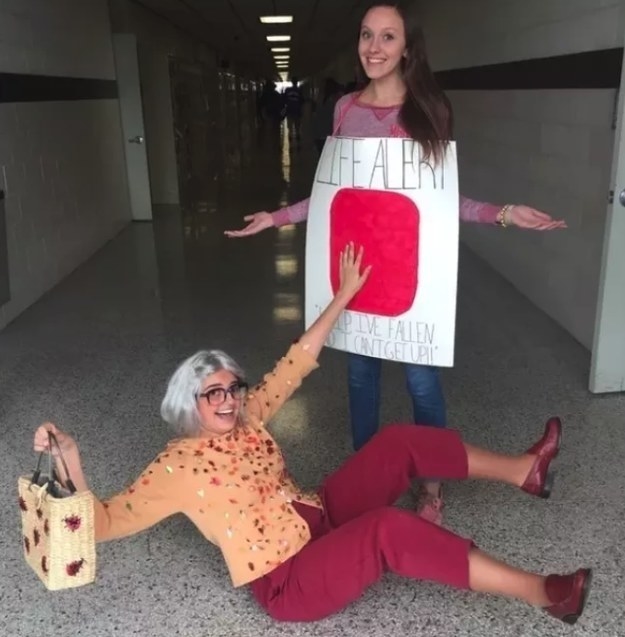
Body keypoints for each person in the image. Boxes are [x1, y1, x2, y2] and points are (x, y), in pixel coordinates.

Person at [33, 244, 590, 625]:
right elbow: (103, 523)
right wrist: (73, 465)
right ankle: (543, 594)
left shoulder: (248, 418)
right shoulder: (175, 468)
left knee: (397, 441)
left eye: (233, 387)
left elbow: (294, 363)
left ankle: (524, 471)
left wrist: (343, 296)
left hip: (316, 515)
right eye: (214, 393)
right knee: (387, 531)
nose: (230, 400)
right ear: (191, 404)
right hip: (288, 578)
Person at [224, 3, 567, 525]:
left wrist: (502, 213)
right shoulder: (343, 110)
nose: (374, 47)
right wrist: (275, 218)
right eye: (367, 35)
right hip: (355, 271)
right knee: (360, 379)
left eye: (388, 37)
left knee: (422, 384)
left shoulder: (427, 109)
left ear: (408, 47)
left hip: (411, 273)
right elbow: (336, 195)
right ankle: (370, 478)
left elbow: (438, 201)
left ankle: (430, 484)